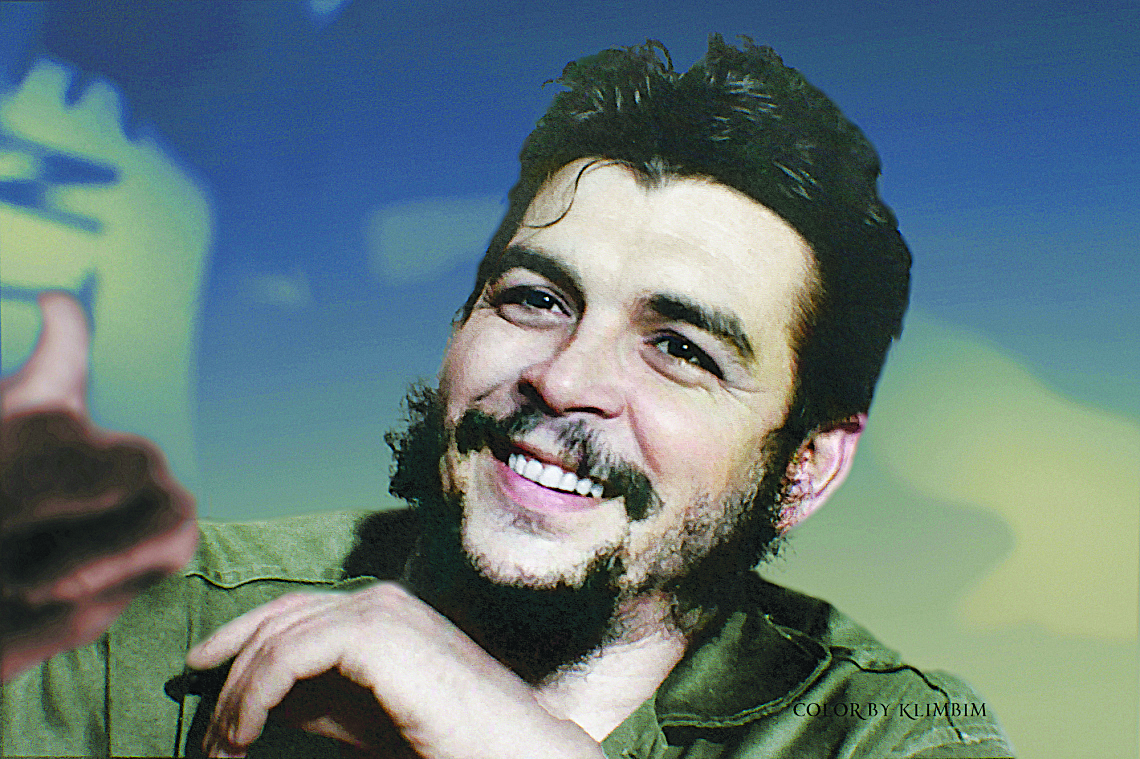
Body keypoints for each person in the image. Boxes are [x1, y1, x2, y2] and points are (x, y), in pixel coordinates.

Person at [0, 36, 1015, 758]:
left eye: (679, 349)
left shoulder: (891, 737)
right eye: (535, 299)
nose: (564, 379)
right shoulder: (136, 621)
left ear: (805, 467)